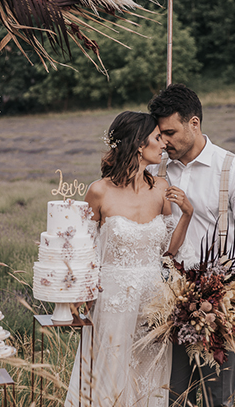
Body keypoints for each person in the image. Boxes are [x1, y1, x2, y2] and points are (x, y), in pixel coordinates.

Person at [147, 84, 235, 407]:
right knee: (170, 397)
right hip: (164, 308)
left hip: (216, 310)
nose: (165, 142)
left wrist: (225, 299)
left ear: (194, 124)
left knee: (218, 400)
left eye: (170, 132)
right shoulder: (152, 170)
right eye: (160, 134)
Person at [65, 111, 193, 407]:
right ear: (138, 144)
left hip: (153, 301)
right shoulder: (99, 191)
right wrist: (76, 298)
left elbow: (168, 252)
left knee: (150, 377)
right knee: (111, 374)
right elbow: (81, 249)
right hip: (112, 300)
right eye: (157, 137)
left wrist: (188, 212)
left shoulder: (162, 188)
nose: (163, 145)